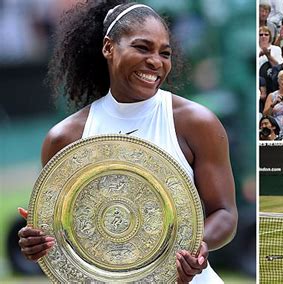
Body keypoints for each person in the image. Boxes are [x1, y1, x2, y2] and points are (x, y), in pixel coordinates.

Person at [16, 2, 238, 283]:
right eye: (142, 48)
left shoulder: (197, 123)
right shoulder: (64, 138)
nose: (156, 61)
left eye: (165, 53)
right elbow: (60, 232)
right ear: (109, 48)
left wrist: (196, 245)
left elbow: (225, 213)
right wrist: (36, 241)